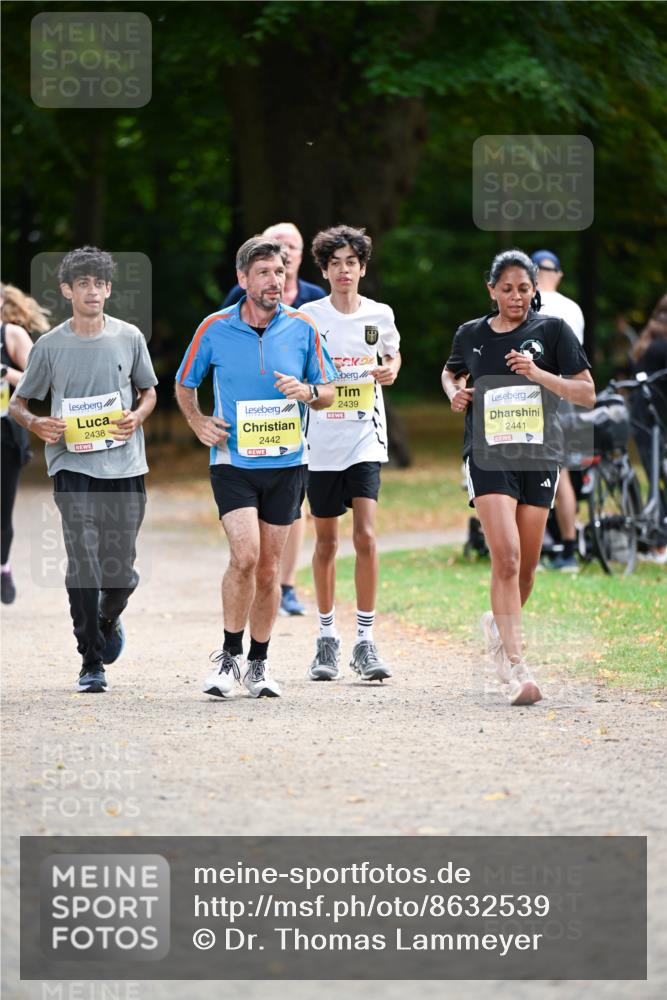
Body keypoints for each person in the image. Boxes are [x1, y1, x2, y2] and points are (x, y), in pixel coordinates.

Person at [175, 235, 336, 699]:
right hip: (234, 461)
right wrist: (198, 421)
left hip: (288, 462)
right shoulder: (214, 327)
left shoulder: (303, 327)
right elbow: (186, 383)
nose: (275, 281)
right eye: (264, 273)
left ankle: (258, 665)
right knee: (244, 557)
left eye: (280, 273)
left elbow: (326, 392)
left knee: (268, 569)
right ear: (243, 279)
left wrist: (305, 392)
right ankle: (227, 658)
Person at [441, 249, 594, 706]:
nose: (515, 296)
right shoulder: (470, 334)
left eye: (523, 288)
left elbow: (586, 392)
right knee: (504, 558)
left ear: (535, 290)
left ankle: (496, 623)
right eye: (506, 288)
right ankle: (515, 666)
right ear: (491, 290)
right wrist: (455, 393)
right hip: (487, 456)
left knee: (526, 569)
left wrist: (539, 373)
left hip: (539, 455)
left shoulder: (552, 331)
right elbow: (450, 374)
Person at [10, 247, 158, 693]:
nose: (92, 291)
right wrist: (37, 423)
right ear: (67, 290)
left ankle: (107, 616)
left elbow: (149, 392)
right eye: (83, 284)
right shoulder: (51, 345)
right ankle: (91, 659)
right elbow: (19, 403)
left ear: (109, 289)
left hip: (126, 466)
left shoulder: (129, 336)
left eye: (99, 284)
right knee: (84, 565)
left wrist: (138, 415)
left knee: (121, 572)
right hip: (73, 466)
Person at [299, 225, 401, 683]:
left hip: (364, 434)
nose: (344, 270)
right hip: (319, 439)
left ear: (362, 268)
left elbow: (393, 357)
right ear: (324, 270)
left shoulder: (379, 314)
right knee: (326, 541)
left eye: (351, 262)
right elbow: (298, 368)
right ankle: (326, 638)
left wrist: (390, 370)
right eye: (335, 263)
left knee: (366, 535)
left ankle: (364, 639)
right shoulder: (308, 316)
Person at [223, 223, 327, 617]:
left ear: (300, 255)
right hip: (252, 421)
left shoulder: (315, 301)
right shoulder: (240, 297)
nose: (286, 254)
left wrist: (310, 391)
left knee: (297, 505)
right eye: (278, 246)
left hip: (305, 412)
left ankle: (286, 585)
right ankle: (256, 576)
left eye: (293, 247)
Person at [531, 250, 586, 572]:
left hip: (530, 397)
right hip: (567, 396)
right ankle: (568, 548)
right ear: (559, 274)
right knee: (562, 472)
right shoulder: (573, 309)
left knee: (526, 470)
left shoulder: (523, 302)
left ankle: (535, 552)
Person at [0, 284, 50, 603]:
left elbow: (41, 377)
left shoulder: (12, 335)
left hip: (5, 435)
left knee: (2, 512)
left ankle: (3, 567)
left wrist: (4, 371)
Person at [630, 292, 667, 563]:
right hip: (656, 419)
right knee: (658, 479)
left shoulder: (651, 337)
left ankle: (657, 541)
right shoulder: (661, 346)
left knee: (656, 479)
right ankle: (659, 543)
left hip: (645, 417)